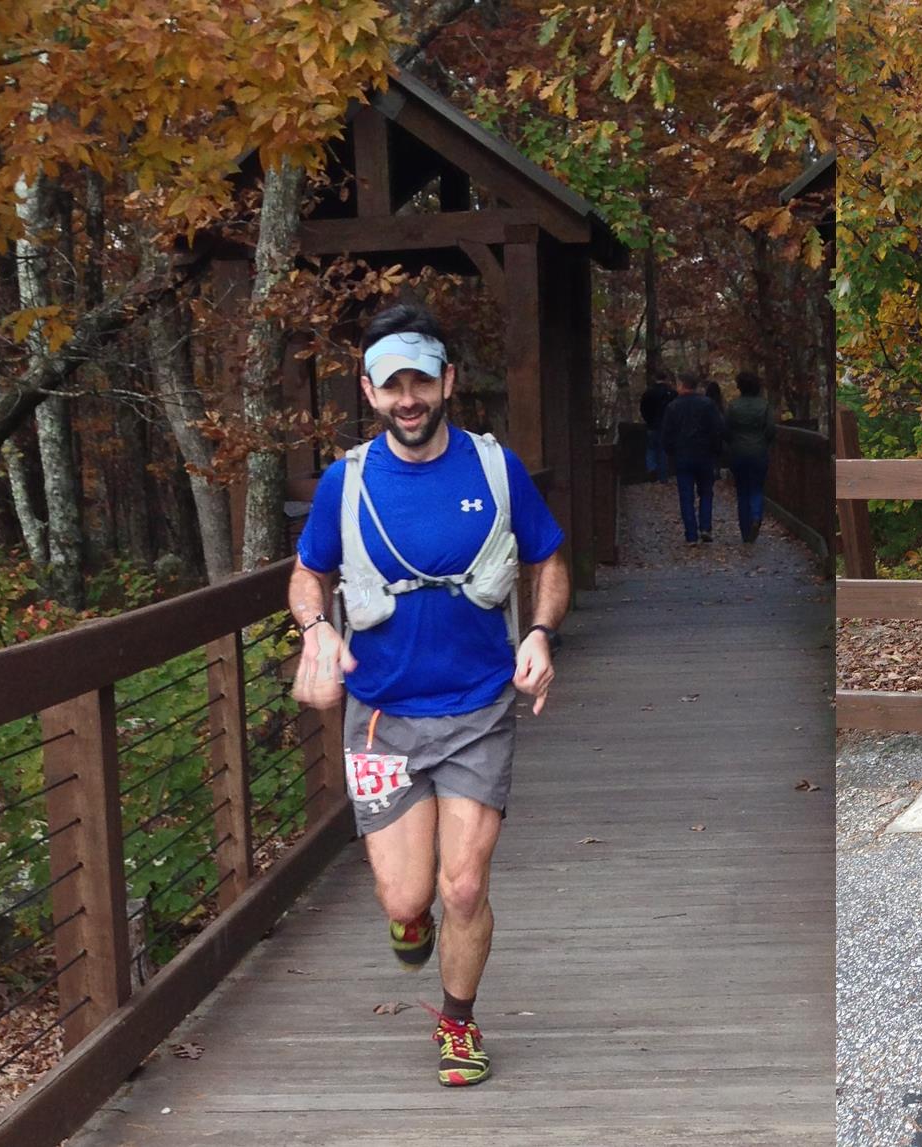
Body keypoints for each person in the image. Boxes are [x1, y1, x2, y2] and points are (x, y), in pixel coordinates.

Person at [288, 303, 570, 1088]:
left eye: (420, 381)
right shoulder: (345, 482)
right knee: (404, 893)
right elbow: (309, 571)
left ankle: (457, 1021)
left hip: (477, 708)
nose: (407, 399)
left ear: (448, 381)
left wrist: (539, 633)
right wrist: (315, 628)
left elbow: (548, 558)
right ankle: (409, 920)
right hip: (380, 716)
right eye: (391, 385)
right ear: (370, 392)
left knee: (465, 884)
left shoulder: (494, 469)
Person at [659, 371, 725, 544]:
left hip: (683, 455)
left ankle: (691, 534)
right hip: (705, 454)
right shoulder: (708, 404)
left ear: (682, 385)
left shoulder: (673, 407)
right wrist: (716, 451)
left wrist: (671, 452)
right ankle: (705, 527)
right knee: (706, 492)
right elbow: (718, 429)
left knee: (686, 495)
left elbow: (666, 435)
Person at [724, 370, 776, 543]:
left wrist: (732, 443)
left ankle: (745, 530)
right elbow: (770, 429)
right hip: (759, 451)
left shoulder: (733, 406)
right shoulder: (764, 406)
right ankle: (756, 516)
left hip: (738, 452)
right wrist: (764, 441)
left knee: (742, 491)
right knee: (756, 487)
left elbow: (726, 429)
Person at [639, 369, 676, 483]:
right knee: (663, 451)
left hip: (652, 425)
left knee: (651, 449)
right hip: (666, 426)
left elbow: (643, 409)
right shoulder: (671, 393)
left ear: (655, 378)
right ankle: (663, 477)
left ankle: (651, 468)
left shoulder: (648, 393)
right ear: (666, 379)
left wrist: (648, 420)